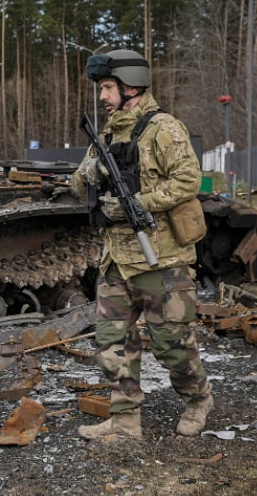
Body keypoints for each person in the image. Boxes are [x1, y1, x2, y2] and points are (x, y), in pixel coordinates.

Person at [70, 48, 213, 440]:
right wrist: (90, 170)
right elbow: (77, 184)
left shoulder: (164, 129)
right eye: (101, 88)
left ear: (131, 85)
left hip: (161, 257)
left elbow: (188, 180)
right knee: (111, 343)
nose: (102, 97)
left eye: (108, 87)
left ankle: (198, 400)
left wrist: (137, 203)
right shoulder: (107, 133)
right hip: (116, 258)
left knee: (171, 345)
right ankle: (124, 421)